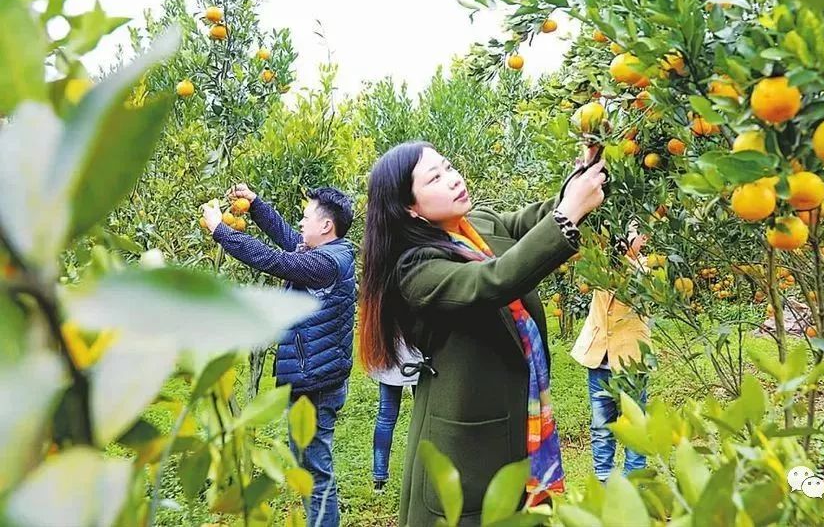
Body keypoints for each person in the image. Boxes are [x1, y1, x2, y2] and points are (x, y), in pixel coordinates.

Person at [357, 141, 606, 527]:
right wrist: (569, 212)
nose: (453, 180)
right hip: (466, 445)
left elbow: (542, 219)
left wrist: (582, 175)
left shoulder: (481, 225)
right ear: (410, 207)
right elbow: (493, 282)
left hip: (521, 422)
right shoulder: (416, 270)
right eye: (435, 178)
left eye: (449, 167)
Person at [201, 184, 356, 527]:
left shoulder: (325, 263)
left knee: (315, 473)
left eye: (306, 216)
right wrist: (256, 205)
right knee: (312, 466)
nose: (300, 222)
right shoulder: (328, 253)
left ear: (326, 225)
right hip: (316, 373)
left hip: (315, 380)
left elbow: (274, 260)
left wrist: (220, 231)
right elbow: (287, 237)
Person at [570, 225, 651, 482]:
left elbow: (635, 285)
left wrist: (626, 255)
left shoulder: (647, 269)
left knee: (635, 422)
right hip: (599, 358)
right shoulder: (601, 265)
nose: (634, 238)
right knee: (601, 426)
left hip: (631, 360)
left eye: (636, 234)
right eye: (630, 232)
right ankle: (604, 479)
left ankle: (634, 480)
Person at [367, 340, 422, 493]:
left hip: (390, 355)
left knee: (385, 418)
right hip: (417, 357)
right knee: (422, 414)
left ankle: (379, 478)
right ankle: (422, 472)